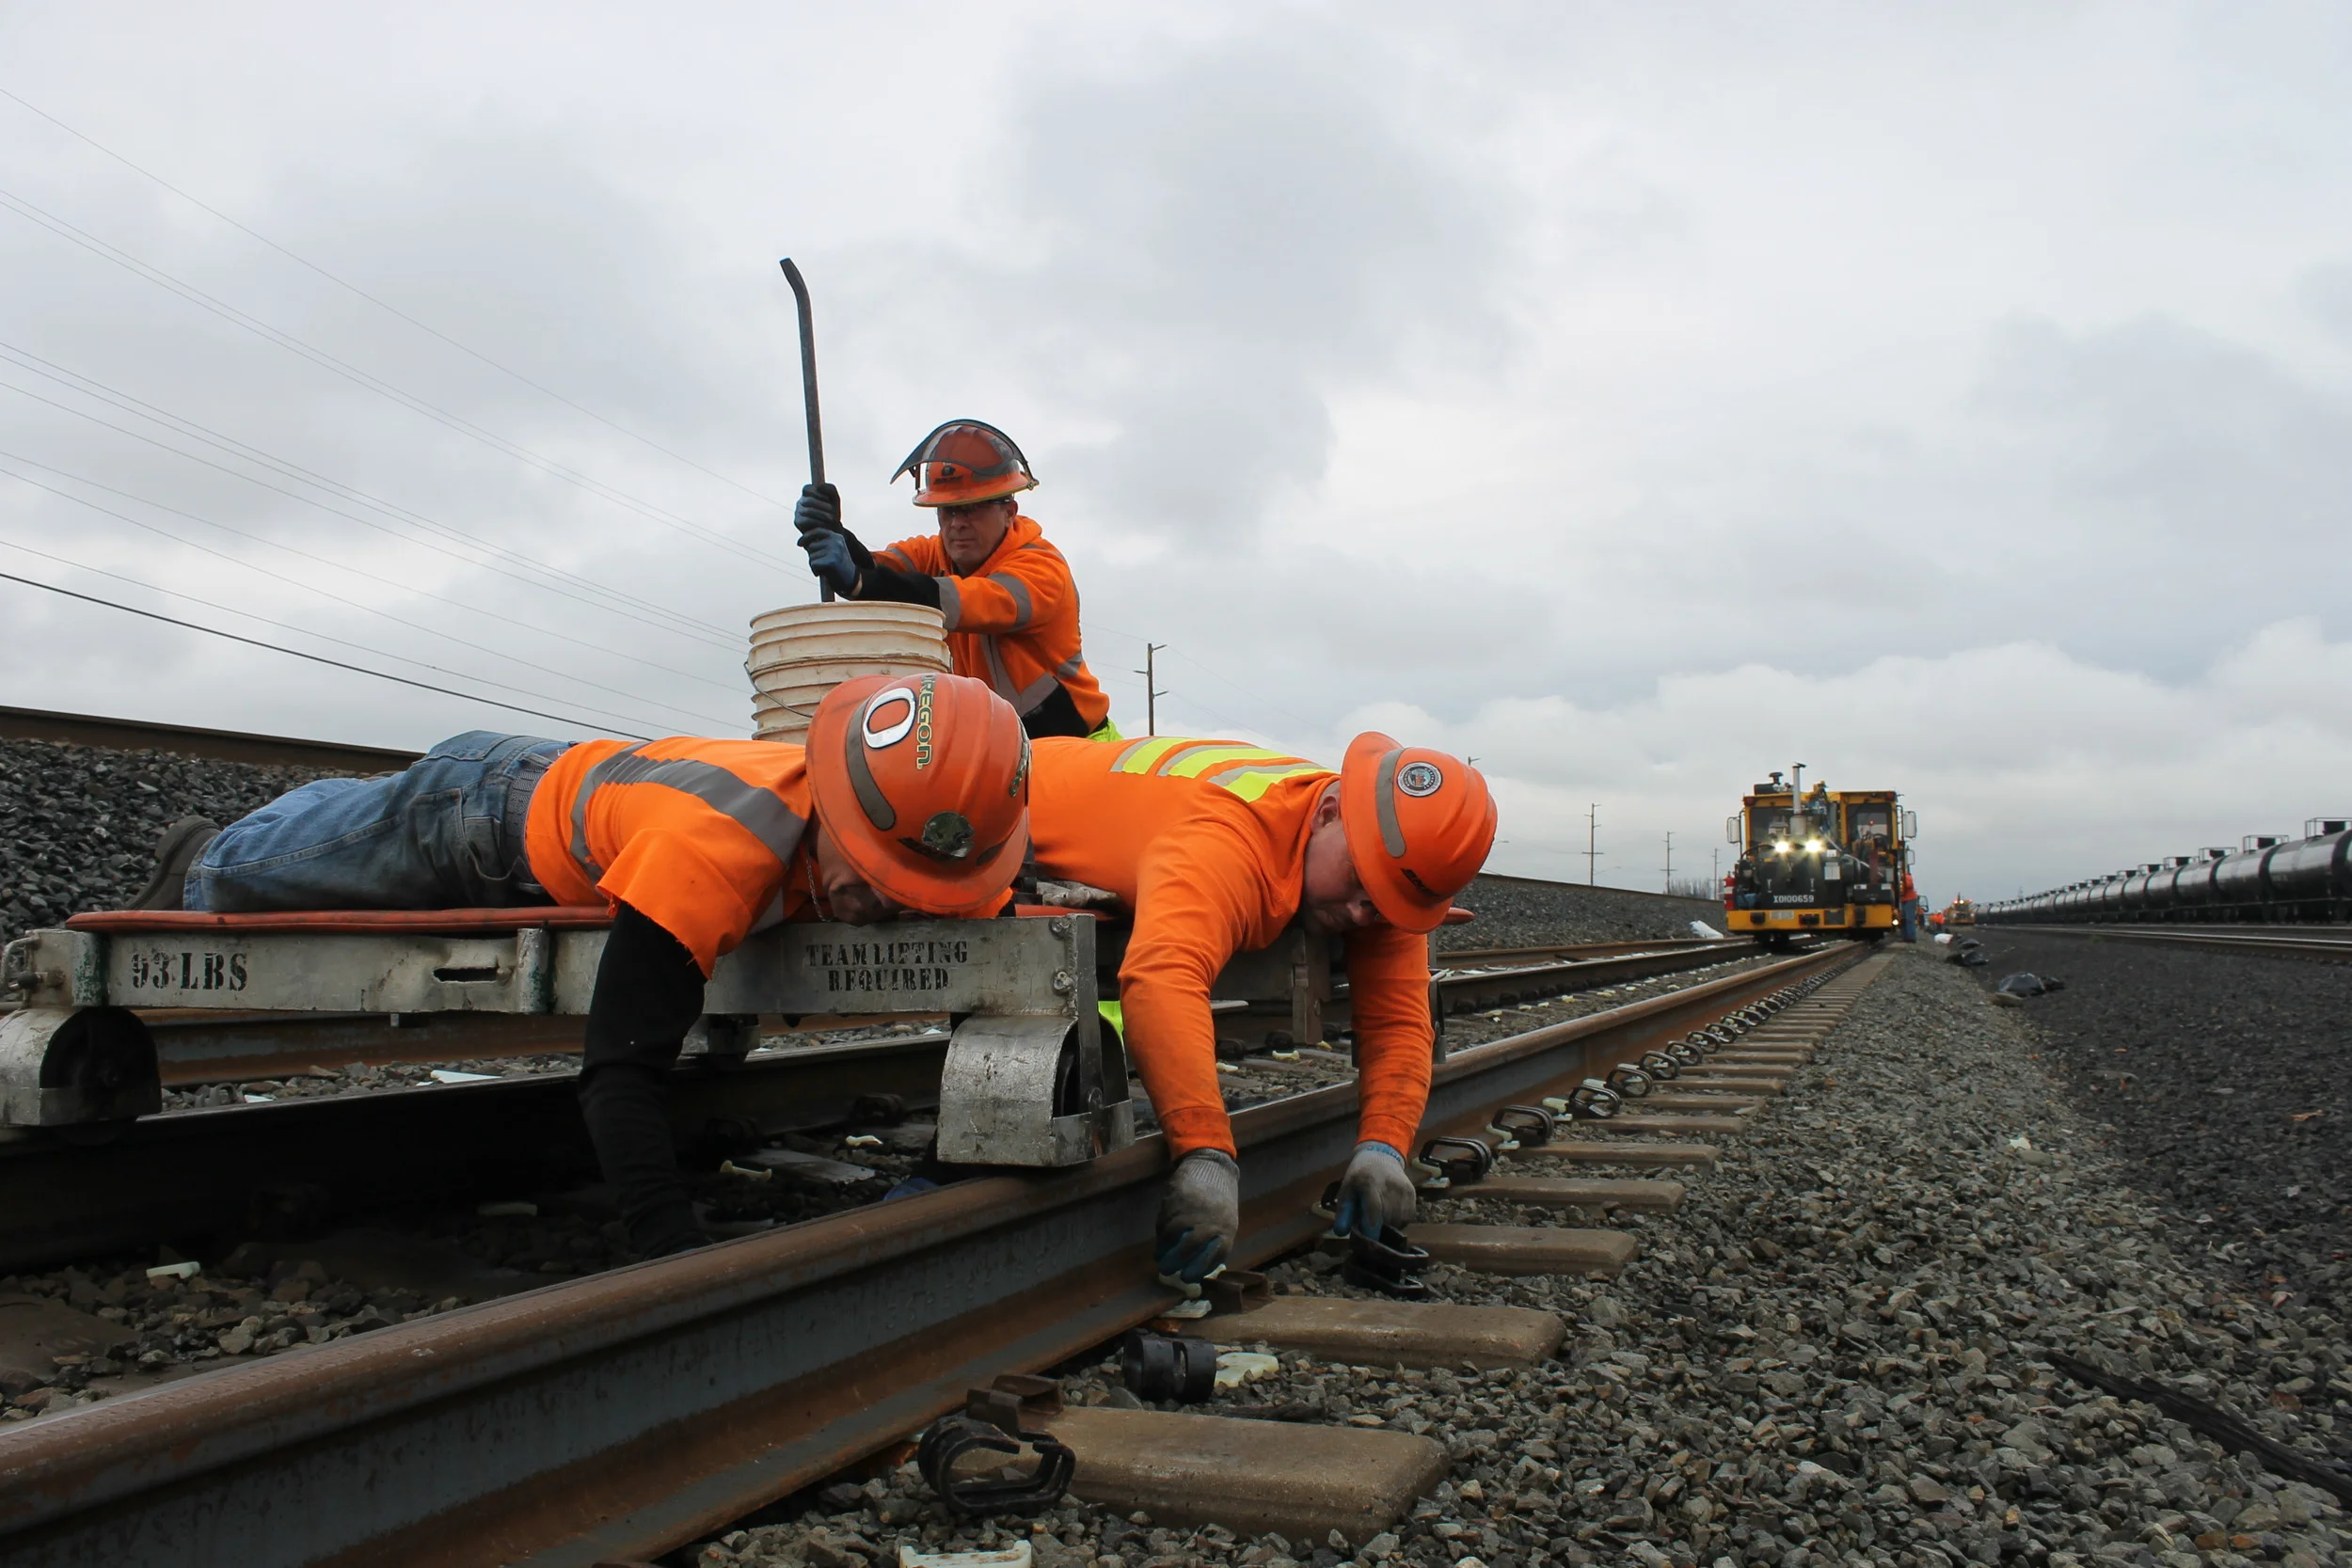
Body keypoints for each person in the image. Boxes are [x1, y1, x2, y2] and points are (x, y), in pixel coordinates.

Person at [134, 674, 1032, 1257]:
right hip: (478, 818)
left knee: (346, 824)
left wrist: (961, 1155)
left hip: (579, 780)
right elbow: (616, 1073)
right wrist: (673, 1250)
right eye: (871, 879)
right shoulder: (714, 849)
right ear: (834, 810)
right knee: (253, 874)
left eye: (907, 888)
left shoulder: (923, 827)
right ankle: (202, 849)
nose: (882, 909)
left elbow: (987, 955)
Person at [1025, 731, 1497, 1285]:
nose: (1361, 914)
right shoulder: (1226, 838)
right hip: (995, 795)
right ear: (1326, 813)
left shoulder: (1380, 851)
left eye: (1383, 905)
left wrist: (1385, 1149)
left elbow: (1398, 1018)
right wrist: (1205, 1153)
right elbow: (1163, 976)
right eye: (1356, 883)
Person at [792, 420, 1114, 741]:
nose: (958, 524)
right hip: (1004, 750)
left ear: (1009, 510)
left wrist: (858, 581)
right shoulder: (936, 554)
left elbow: (961, 601)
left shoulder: (1041, 569)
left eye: (971, 509)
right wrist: (838, 535)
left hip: (1077, 744)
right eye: (948, 511)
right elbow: (880, 570)